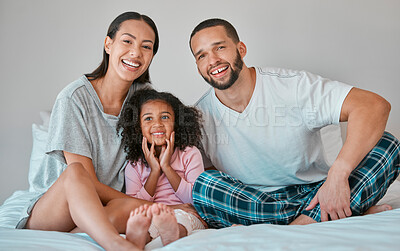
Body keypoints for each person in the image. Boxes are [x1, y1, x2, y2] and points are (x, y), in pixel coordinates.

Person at [188, 18, 400, 228]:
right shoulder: (198, 116)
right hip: (258, 204)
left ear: (241, 49)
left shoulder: (292, 86)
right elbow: (210, 174)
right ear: (198, 67)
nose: (213, 60)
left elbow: (374, 106)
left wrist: (338, 175)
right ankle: (333, 215)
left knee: (388, 145)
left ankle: (304, 222)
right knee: (204, 186)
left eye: (220, 48)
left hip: (317, 191)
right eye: (202, 55)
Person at [9, 11, 195, 251]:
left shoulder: (143, 99)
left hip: (110, 205)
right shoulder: (74, 98)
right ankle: (116, 244)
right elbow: (89, 183)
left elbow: (170, 145)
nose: (136, 53)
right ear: (108, 44)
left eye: (146, 47)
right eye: (127, 41)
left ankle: (93, 230)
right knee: (76, 172)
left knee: (147, 210)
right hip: (56, 209)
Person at [116, 88, 206, 249]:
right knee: (143, 223)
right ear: (138, 127)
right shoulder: (134, 164)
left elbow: (195, 200)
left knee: (181, 221)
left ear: (176, 123)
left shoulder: (190, 153)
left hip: (187, 214)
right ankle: (138, 239)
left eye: (165, 117)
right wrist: (155, 171)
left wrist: (167, 167)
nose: (157, 124)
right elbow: (133, 204)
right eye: (148, 118)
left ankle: (173, 235)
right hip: (152, 214)